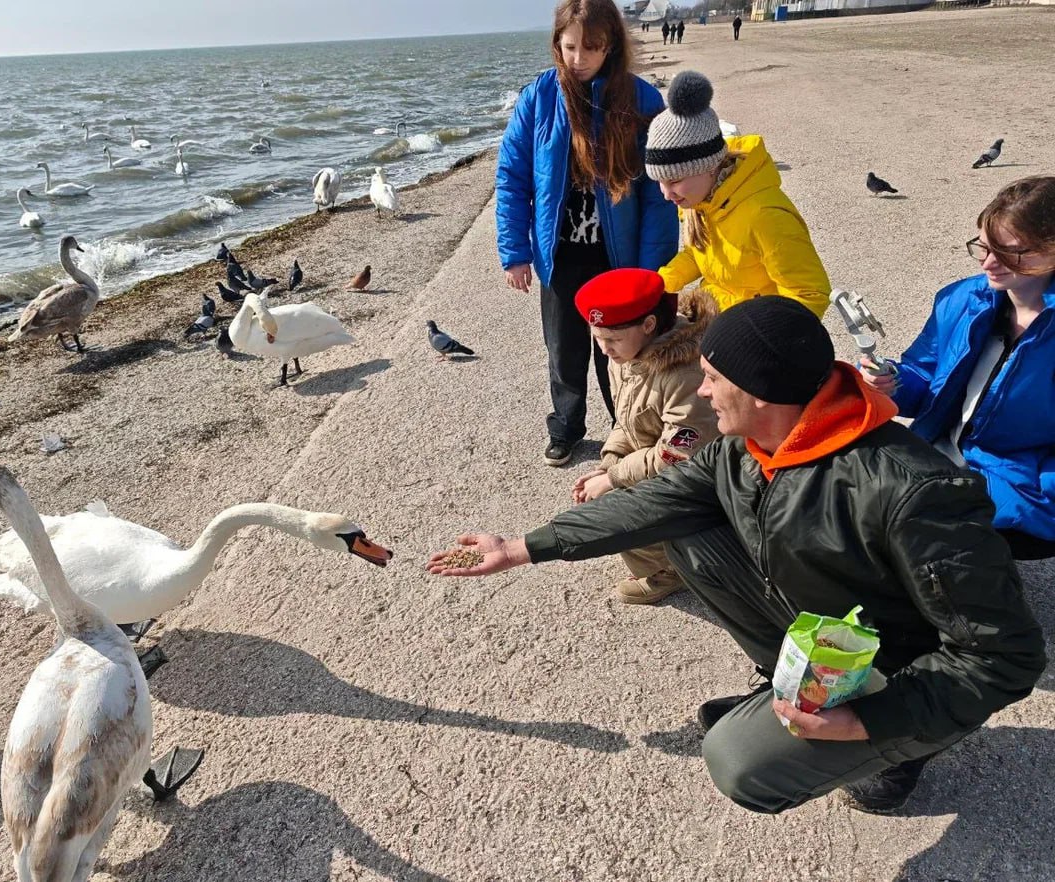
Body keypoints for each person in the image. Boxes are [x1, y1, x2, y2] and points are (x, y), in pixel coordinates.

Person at [429, 296, 1045, 816]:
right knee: (687, 530)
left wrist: (872, 721)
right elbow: (657, 501)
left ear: (760, 392)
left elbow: (1004, 656)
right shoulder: (749, 445)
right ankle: (786, 682)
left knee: (738, 764)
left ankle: (902, 753)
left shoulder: (918, 492)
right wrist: (521, 548)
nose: (702, 391)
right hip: (829, 624)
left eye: (712, 378)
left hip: (896, 664)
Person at [496, 0, 680, 468]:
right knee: (564, 348)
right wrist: (515, 252)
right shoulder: (537, 98)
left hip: (618, 257)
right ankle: (566, 426)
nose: (579, 59)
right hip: (560, 256)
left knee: (623, 353)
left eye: (592, 48)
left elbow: (660, 195)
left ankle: (631, 427)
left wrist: (652, 268)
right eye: (571, 46)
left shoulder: (642, 100)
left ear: (611, 45)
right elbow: (512, 178)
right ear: (557, 42)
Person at [859, 176, 1055, 560]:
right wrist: (891, 381)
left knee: (915, 528)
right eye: (983, 246)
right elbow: (923, 375)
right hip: (941, 454)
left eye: (1011, 252)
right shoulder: (961, 299)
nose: (989, 263)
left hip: (1023, 483)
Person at [570, 268, 719, 604]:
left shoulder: (686, 373)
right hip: (659, 462)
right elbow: (625, 418)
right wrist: (609, 460)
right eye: (597, 338)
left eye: (612, 339)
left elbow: (676, 453)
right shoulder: (629, 353)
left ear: (649, 325)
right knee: (604, 494)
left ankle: (673, 568)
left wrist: (615, 478)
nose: (605, 349)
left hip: (699, 475)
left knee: (615, 506)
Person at [646, 71, 830, 317]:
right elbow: (698, 251)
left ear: (709, 166)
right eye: (660, 182)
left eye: (674, 180)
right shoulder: (699, 200)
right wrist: (662, 282)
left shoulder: (765, 216)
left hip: (754, 333)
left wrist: (760, 343)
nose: (667, 195)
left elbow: (810, 295)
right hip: (717, 316)